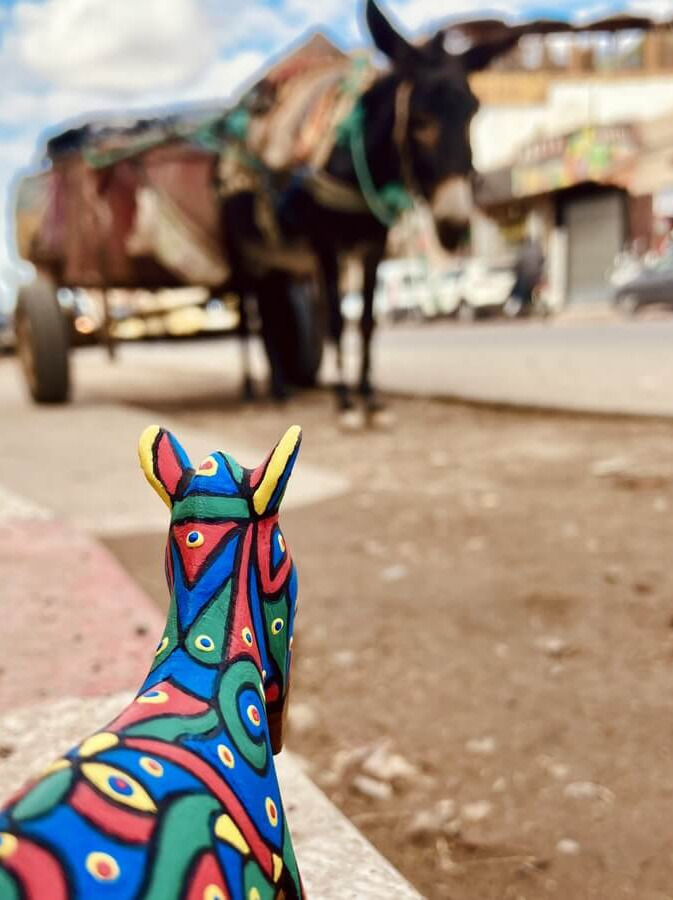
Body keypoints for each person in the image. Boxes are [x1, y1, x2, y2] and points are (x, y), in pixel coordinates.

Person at [511, 235, 545, 316]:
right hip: (536, 276)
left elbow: (518, 263)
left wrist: (515, 272)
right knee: (533, 295)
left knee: (518, 294)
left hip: (525, 276)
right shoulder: (536, 249)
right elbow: (542, 260)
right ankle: (534, 310)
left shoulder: (523, 251)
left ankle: (512, 312)